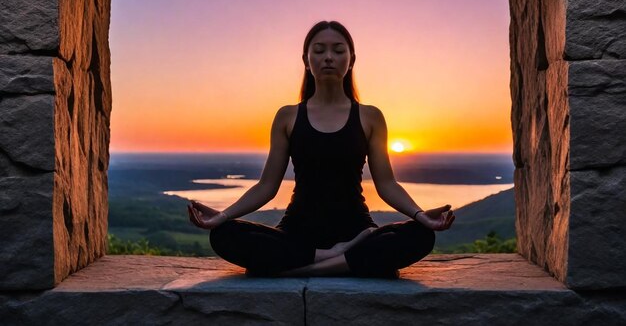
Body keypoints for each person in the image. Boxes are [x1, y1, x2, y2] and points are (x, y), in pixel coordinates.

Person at [188, 21, 455, 278]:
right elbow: (266, 187)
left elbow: (387, 184)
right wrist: (222, 216)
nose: (328, 57)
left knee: (421, 235)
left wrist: (420, 215)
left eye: (338, 50)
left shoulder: (370, 117)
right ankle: (337, 259)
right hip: (296, 233)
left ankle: (301, 267)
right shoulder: (288, 116)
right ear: (306, 60)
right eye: (319, 50)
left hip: (357, 231)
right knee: (223, 235)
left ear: (351, 60)